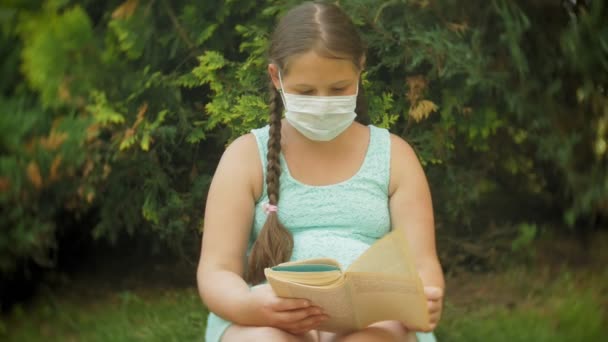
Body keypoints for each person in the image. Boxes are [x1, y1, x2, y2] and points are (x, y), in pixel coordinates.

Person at [197, 2, 445, 341]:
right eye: (306, 91)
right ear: (276, 77)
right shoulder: (244, 157)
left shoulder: (395, 157)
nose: (323, 102)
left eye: (339, 88)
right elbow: (216, 270)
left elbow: (422, 263)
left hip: (371, 322)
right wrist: (250, 307)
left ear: (360, 70)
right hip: (268, 319)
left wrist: (426, 296)